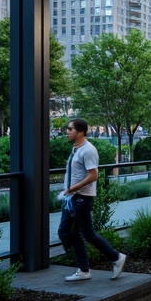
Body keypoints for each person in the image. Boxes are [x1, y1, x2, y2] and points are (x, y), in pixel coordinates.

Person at [59, 118, 127, 282]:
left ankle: (116, 257)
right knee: (67, 232)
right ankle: (84, 269)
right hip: (72, 198)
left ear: (80, 132)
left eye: (70, 129)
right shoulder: (76, 149)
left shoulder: (88, 150)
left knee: (86, 233)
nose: (67, 132)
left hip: (81, 197)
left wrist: (72, 189)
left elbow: (93, 175)